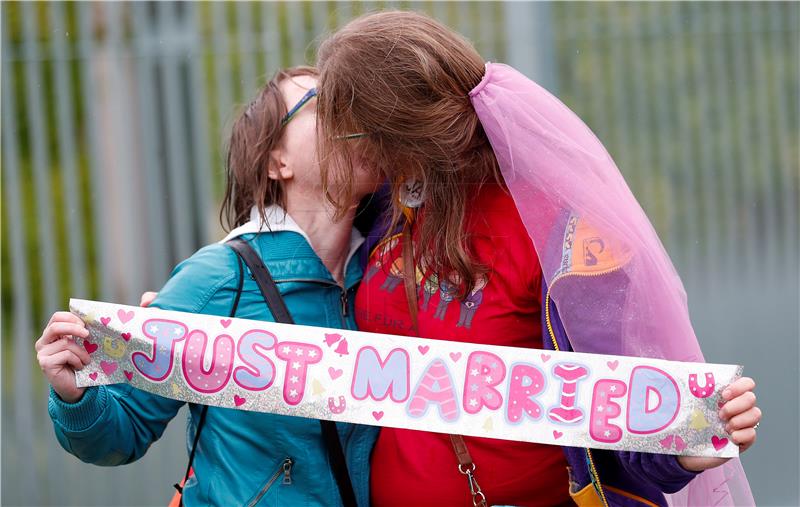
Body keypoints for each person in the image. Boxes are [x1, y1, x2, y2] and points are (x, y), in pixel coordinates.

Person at [315, 11, 760, 507]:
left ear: (399, 133)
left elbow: (620, 401)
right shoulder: (384, 210)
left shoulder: (561, 233)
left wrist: (690, 442)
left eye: (354, 136)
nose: (345, 153)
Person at [35, 66, 379, 506]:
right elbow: (120, 433)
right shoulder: (217, 280)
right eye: (323, 104)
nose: (349, 117)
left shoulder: (391, 273)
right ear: (278, 161)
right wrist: (74, 395)